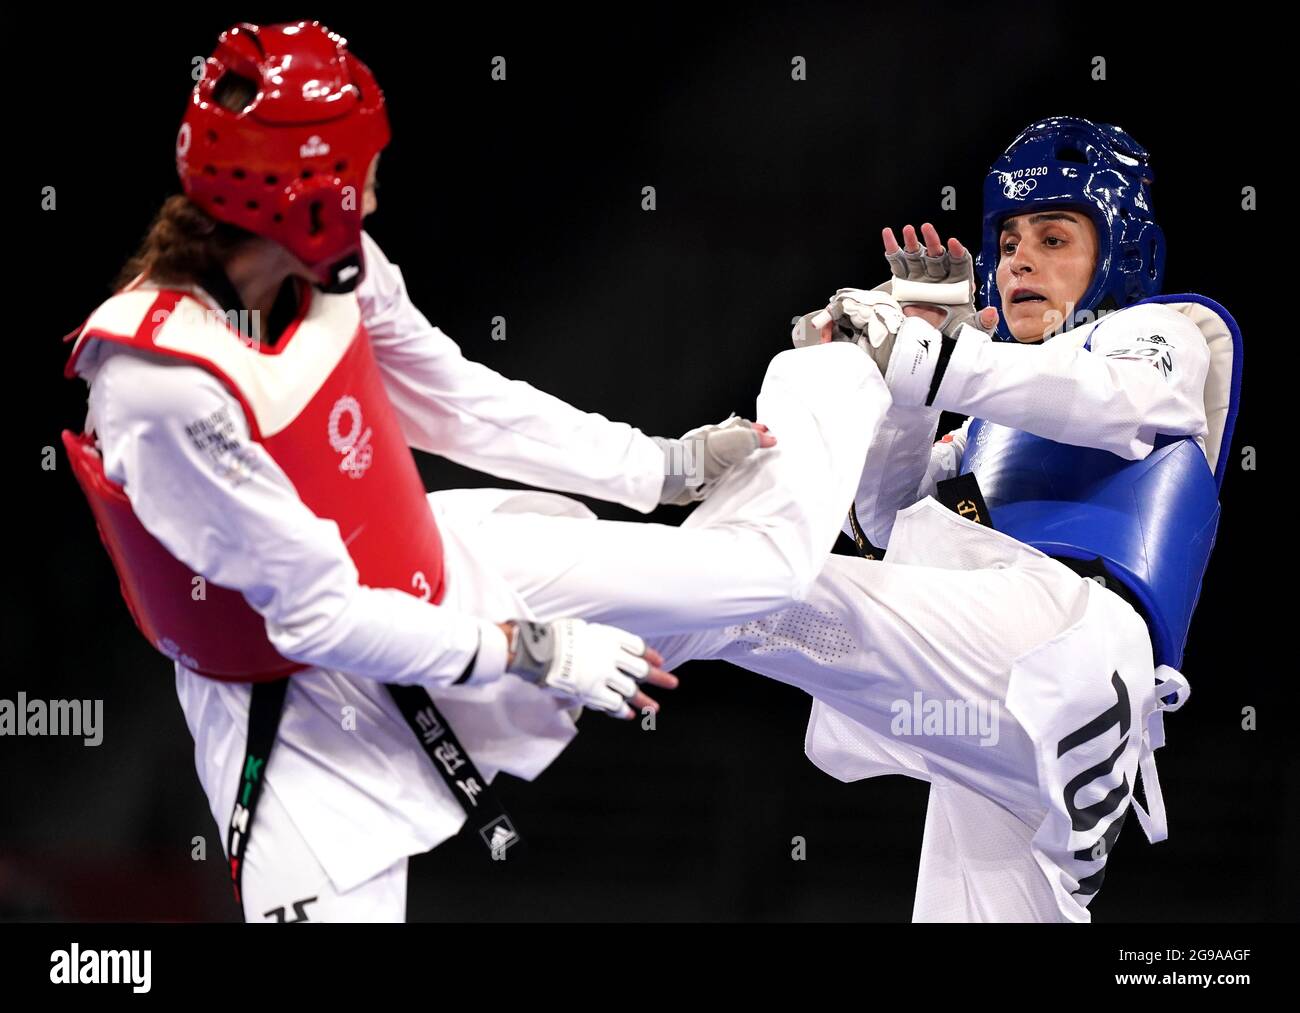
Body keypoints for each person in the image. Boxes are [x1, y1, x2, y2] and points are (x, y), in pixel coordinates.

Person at [61, 21, 887, 922]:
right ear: (307, 192)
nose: (373, 199)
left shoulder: (334, 268)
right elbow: (320, 616)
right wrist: (532, 650)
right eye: (361, 172)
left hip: (433, 563)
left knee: (761, 574)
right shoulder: (161, 388)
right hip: (291, 714)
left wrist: (662, 465)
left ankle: (858, 355)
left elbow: (456, 400)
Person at [648, 116, 1242, 922]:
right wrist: (910, 375)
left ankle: (555, 619)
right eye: (1007, 244)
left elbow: (1109, 402)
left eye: (1054, 237)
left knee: (763, 579)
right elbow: (889, 522)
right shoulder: (990, 419)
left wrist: (933, 358)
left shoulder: (1164, 334)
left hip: (1069, 646)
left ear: (1121, 255)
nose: (1018, 259)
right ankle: (610, 622)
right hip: (1011, 718)